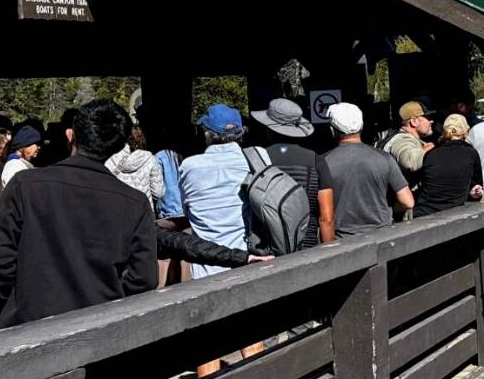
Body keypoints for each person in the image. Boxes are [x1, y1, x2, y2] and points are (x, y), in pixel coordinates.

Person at [0, 100, 157, 328]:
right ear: (118, 146)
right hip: (101, 332)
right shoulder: (134, 203)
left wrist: (19, 303)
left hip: (29, 327)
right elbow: (143, 278)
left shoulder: (25, 186)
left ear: (70, 134)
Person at [178, 104, 253, 278]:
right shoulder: (256, 158)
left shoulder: (189, 167)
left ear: (206, 133)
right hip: (250, 258)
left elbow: (186, 210)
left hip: (206, 265)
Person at [251, 96, 337, 245]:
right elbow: (326, 217)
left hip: (266, 248)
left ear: (268, 129)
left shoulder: (257, 160)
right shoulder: (315, 160)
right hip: (307, 244)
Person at [323, 102, 413, 235]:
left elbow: (324, 216)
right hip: (382, 235)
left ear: (332, 131)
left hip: (342, 240)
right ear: (362, 126)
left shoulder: (323, 163)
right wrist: (389, 212)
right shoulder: (384, 158)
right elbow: (408, 202)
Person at [414, 113, 484, 216]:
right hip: (452, 214)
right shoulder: (471, 153)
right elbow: (476, 186)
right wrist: (474, 192)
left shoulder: (431, 154)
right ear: (465, 132)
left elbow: (425, 184)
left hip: (423, 213)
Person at [106, 125, 166, 211]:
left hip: (119, 211)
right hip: (144, 211)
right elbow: (158, 193)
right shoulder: (150, 159)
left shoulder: (113, 159)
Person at [380, 100, 434, 187]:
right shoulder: (401, 140)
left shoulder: (409, 138)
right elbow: (410, 161)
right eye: (428, 117)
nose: (431, 121)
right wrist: (429, 150)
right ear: (413, 121)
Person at [0, 124, 40, 191]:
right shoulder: (14, 167)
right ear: (23, 146)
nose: (39, 147)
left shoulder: (22, 165)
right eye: (36, 144)